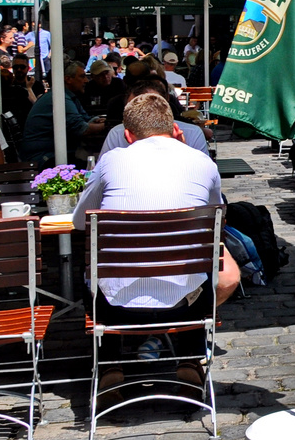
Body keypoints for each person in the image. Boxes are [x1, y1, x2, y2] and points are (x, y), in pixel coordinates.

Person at [73, 92, 240, 384]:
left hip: (114, 305)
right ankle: (188, 358)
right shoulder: (202, 162)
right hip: (183, 302)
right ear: (176, 129)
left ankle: (111, 365)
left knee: (89, 262)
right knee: (203, 266)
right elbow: (216, 216)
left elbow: (79, 221)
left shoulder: (112, 159)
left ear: (127, 135)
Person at [23, 61, 105, 168]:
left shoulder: (67, 96)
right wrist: (108, 125)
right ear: (68, 79)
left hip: (52, 154)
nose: (86, 80)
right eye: (82, 76)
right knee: (98, 168)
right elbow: (82, 129)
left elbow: (85, 119)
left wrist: (97, 120)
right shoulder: (60, 98)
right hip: (44, 158)